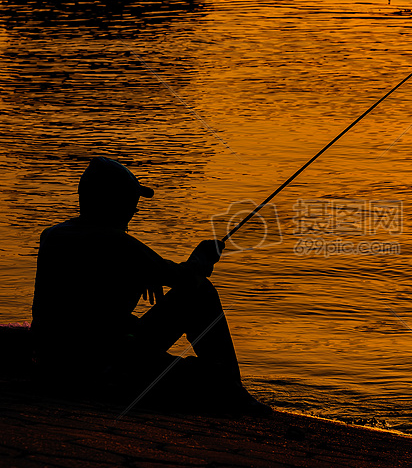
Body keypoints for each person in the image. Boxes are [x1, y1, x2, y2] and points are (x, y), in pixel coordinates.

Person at [31, 156, 268, 414]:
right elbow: (186, 278)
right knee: (201, 293)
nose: (133, 212)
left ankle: (225, 385)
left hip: (53, 361)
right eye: (131, 205)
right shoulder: (117, 243)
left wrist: (139, 276)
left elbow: (89, 301)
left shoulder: (53, 236)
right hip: (103, 367)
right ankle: (231, 387)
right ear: (114, 204)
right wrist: (202, 258)